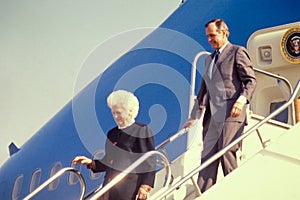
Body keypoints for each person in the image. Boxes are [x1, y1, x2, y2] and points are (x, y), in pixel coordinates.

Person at [183, 19, 256, 193]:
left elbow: (251, 81)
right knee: (207, 157)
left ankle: (235, 193)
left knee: (226, 151)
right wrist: (194, 116)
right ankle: (204, 194)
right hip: (212, 117)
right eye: (207, 36)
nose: (209, 40)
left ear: (223, 33)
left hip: (232, 113)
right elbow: (203, 91)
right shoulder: (208, 59)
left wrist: (241, 100)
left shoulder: (237, 52)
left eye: (212, 35)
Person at [73, 90, 156, 200]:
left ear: (130, 111)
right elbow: (108, 161)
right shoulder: (112, 134)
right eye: (113, 113)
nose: (116, 116)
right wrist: (91, 163)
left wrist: (145, 186)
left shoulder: (140, 130)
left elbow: (148, 160)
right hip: (110, 186)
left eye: (119, 113)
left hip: (129, 188)